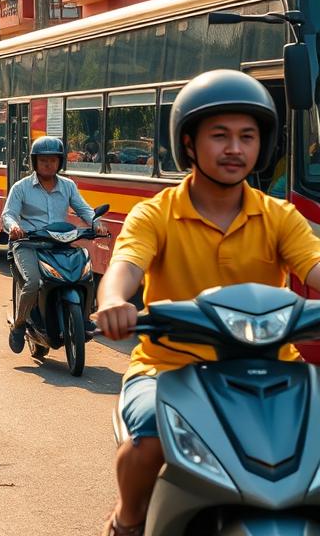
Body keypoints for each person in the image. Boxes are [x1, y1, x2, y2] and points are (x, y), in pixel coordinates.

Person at [93, 70, 320, 536]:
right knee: (150, 438)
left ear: (264, 145)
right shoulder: (156, 213)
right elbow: (126, 266)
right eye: (220, 136)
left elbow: (315, 265)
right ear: (189, 144)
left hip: (277, 367)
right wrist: (115, 301)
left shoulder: (280, 216)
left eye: (247, 136)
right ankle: (128, 520)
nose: (235, 149)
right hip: (170, 368)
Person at [1, 135, 109, 353]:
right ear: (34, 162)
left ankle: (85, 318)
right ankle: (20, 324)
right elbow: (8, 215)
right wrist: (13, 227)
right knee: (32, 283)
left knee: (85, 274)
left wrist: (96, 224)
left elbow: (85, 210)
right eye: (43, 160)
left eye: (53, 159)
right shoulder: (21, 187)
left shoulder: (68, 186)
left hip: (60, 244)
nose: (48, 164)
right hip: (28, 244)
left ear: (60, 162)